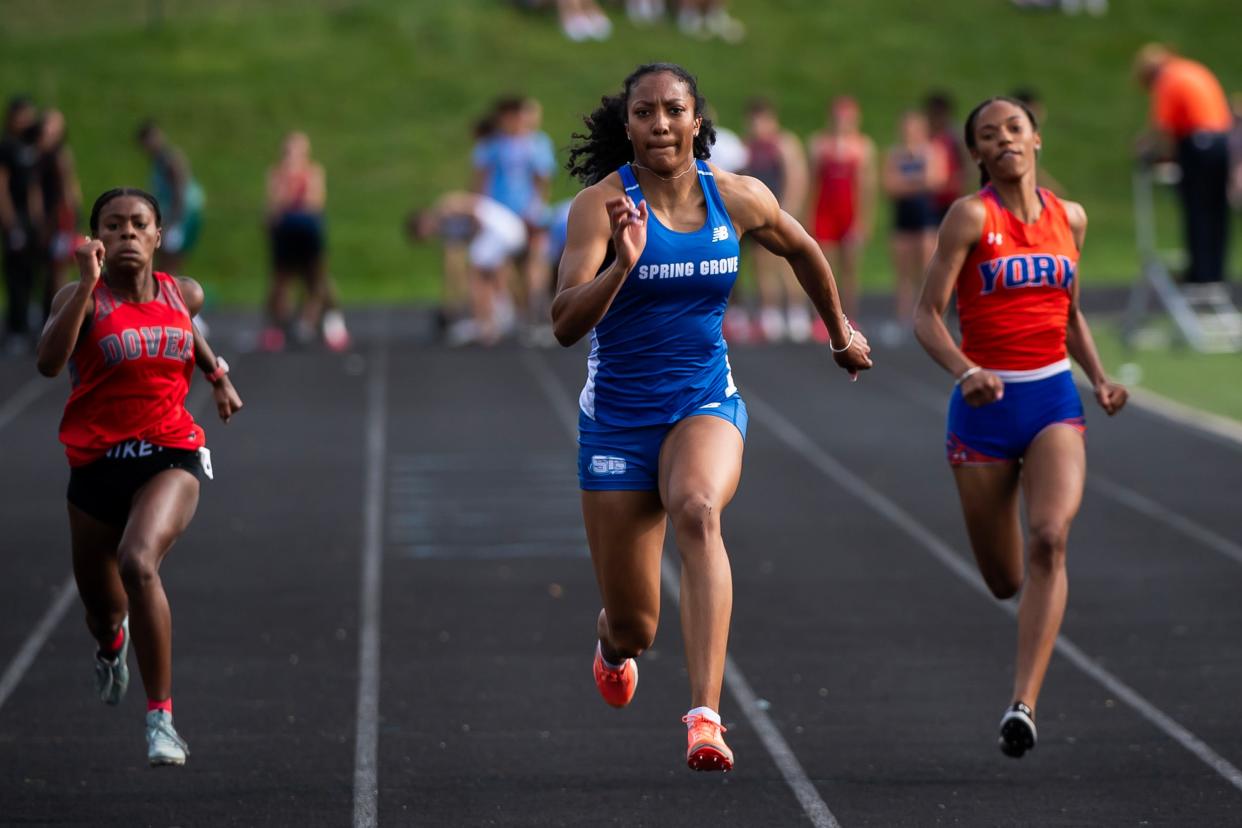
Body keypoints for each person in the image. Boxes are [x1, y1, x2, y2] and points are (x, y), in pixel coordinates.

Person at [554, 62, 872, 771]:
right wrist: (620, 268)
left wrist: (840, 332)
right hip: (618, 422)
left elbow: (804, 248)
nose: (660, 124)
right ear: (628, 123)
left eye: (673, 110)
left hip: (703, 401)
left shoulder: (736, 195)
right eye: (645, 112)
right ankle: (612, 645)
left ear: (698, 120)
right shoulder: (599, 207)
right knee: (637, 624)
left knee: (698, 509)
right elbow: (563, 323)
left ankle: (705, 716)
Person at [913, 97, 1127, 759]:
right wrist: (964, 370)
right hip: (983, 411)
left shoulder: (1073, 219)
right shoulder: (971, 217)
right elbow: (927, 315)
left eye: (1013, 128)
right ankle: (1021, 678)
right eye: (988, 135)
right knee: (1006, 579)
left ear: (1036, 138)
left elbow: (1069, 309)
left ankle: (1023, 704)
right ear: (976, 153)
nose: (1003, 140)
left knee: (1050, 539)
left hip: (1052, 401)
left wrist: (1097, 376)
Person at [35, 187, 243, 766]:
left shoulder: (185, 291)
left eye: (138, 224)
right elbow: (50, 363)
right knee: (102, 610)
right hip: (96, 465)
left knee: (137, 562)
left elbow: (184, 322)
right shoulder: (79, 298)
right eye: (113, 225)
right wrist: (83, 284)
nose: (127, 233)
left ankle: (162, 722)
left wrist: (216, 374)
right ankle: (112, 644)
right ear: (95, 238)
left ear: (157, 236)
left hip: (169, 453)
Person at [1133, 44, 1232, 284]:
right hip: (1222, 142)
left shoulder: (1168, 79)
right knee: (1216, 211)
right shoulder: (1192, 69)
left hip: (1198, 144)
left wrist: (1147, 151)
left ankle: (1199, 273)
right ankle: (1214, 271)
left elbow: (1163, 128)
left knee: (1197, 209)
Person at [473, 96, 556, 335]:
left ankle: (535, 310)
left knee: (535, 260)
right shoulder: (492, 144)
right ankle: (510, 312)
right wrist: (480, 209)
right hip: (499, 213)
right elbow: (481, 179)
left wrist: (536, 207)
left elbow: (542, 179)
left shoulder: (536, 143)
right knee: (499, 264)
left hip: (527, 213)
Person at [261, 131, 349, 351]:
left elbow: (314, 202)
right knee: (282, 278)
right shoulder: (276, 174)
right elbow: (273, 207)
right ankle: (278, 324)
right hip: (285, 233)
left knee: (316, 276)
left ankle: (317, 320)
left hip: (307, 230)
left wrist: (291, 193)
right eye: (289, 151)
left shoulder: (313, 172)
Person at [407, 190, 527, 346]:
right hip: (500, 232)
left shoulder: (444, 209)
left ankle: (486, 323)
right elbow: (452, 267)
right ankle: (498, 315)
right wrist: (451, 301)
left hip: (500, 228)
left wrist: (476, 231)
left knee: (476, 273)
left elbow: (473, 207)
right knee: (488, 274)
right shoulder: (444, 232)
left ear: (423, 222)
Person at [740, 97, 810, 342]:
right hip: (757, 215)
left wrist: (787, 211)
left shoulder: (784, 144)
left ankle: (796, 312)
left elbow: (796, 179)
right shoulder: (748, 147)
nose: (756, 126)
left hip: (780, 213)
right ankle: (770, 314)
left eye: (760, 120)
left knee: (786, 264)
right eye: (752, 121)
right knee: (761, 264)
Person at [806, 96, 876, 322]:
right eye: (838, 118)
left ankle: (849, 316)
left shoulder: (863, 147)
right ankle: (825, 317)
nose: (841, 123)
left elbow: (867, 188)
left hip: (848, 214)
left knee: (849, 269)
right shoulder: (819, 144)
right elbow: (812, 184)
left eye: (846, 118)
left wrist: (863, 221)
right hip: (824, 212)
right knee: (823, 268)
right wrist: (808, 215)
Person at [883, 110, 946, 338]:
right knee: (903, 273)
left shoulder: (931, 152)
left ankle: (929, 319)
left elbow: (935, 180)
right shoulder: (895, 155)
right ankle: (903, 319)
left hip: (926, 219)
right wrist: (917, 182)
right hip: (903, 220)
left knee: (927, 271)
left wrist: (906, 182)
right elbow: (890, 186)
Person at [135, 121, 204, 276]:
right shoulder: (158, 162)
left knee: (170, 261)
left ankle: (171, 296)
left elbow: (180, 192)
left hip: (182, 217)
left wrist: (173, 222)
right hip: (172, 216)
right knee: (161, 261)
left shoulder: (170, 160)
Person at [0, 95, 41, 351]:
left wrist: (37, 218)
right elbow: (2, 186)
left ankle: (27, 320)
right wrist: (11, 223)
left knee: (30, 271)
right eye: (21, 116)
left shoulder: (30, 147)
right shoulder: (6, 147)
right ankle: (15, 328)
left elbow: (33, 186)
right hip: (14, 218)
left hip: (30, 220)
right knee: (15, 273)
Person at [35, 109, 83, 322]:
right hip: (53, 216)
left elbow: (69, 192)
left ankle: (62, 315)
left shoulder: (58, 155)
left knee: (58, 267)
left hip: (61, 218)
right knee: (51, 268)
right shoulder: (40, 154)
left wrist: (67, 220)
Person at [925, 92, 968, 221]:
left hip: (951, 195)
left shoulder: (954, 137)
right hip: (929, 198)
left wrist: (959, 183)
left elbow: (964, 163)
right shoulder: (926, 137)